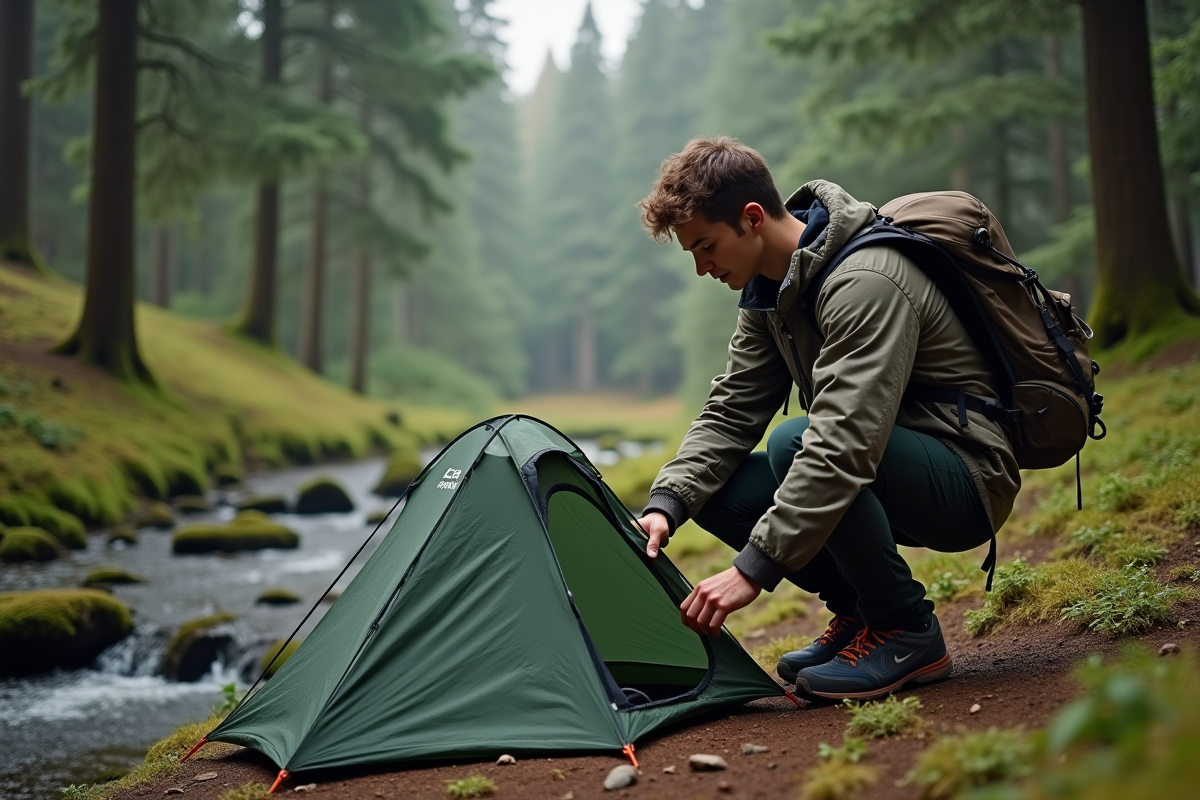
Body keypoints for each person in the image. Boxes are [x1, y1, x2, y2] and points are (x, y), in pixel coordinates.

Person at [632, 136, 1020, 700]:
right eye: (692, 252)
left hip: (965, 475)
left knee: (797, 441)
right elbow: (732, 409)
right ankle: (862, 615)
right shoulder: (772, 292)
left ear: (752, 218)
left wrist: (752, 569)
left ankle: (906, 630)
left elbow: (843, 442)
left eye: (706, 246)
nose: (701, 267)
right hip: (883, 465)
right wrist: (668, 502)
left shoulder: (867, 280)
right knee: (713, 489)